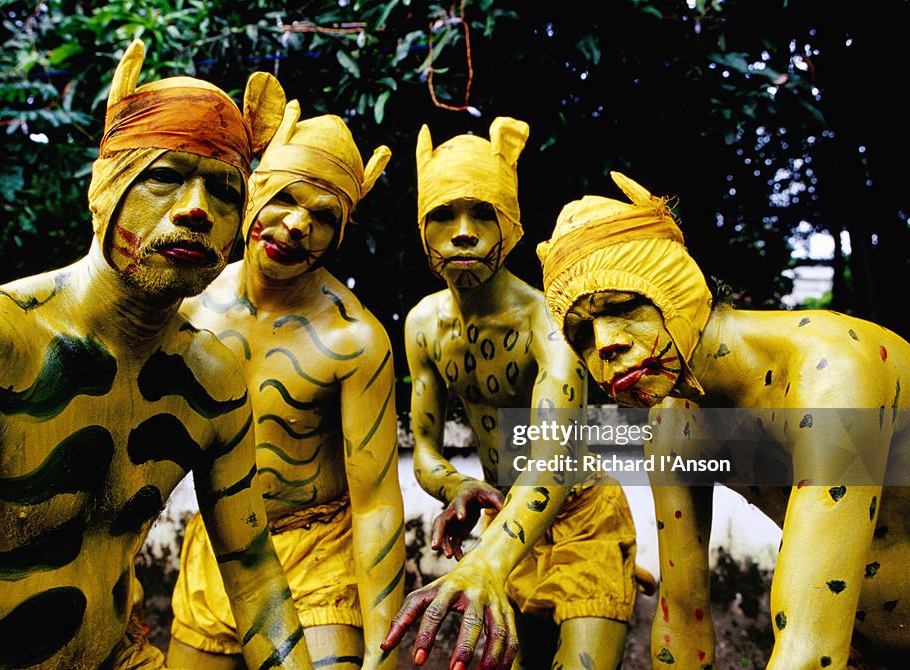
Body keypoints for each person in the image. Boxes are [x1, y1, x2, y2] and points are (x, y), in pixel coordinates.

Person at [0, 39, 313, 670]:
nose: (197, 210)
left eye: (224, 191)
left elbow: (253, 576)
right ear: (106, 190)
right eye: (164, 177)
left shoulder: (213, 379)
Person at [537, 171, 910, 668]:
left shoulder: (832, 373)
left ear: (678, 290)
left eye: (624, 307)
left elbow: (809, 648)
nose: (605, 345)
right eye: (581, 334)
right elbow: (682, 620)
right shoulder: (674, 426)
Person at [385, 119, 640, 670]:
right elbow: (424, 449)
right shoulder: (423, 324)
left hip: (582, 518)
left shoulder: (547, 323)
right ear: (421, 229)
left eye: (483, 213)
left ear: (511, 225)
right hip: (508, 519)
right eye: (443, 216)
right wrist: (461, 485)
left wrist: (488, 560)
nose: (463, 231)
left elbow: (551, 461)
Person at [167, 101, 405, 670]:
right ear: (253, 193)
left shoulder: (355, 340)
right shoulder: (186, 308)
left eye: (323, 216)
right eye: (286, 199)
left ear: (339, 234)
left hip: (317, 555)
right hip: (216, 547)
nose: (298, 225)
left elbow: (376, 504)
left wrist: (383, 652)